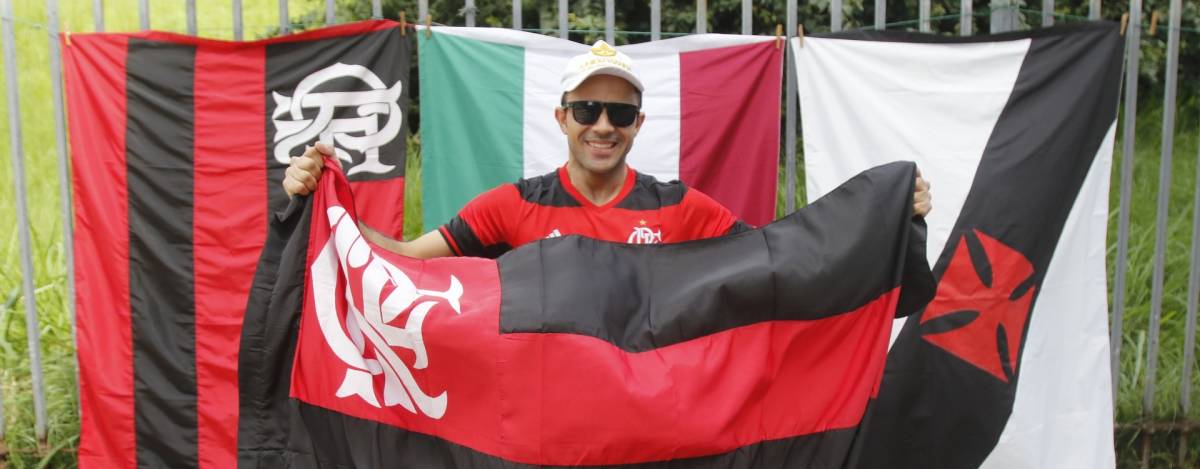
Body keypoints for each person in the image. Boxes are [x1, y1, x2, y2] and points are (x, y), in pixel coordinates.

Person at [282, 39, 932, 257]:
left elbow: (781, 258)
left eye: (618, 112)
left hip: (642, 427)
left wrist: (887, 216)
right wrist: (320, 206)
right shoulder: (510, 206)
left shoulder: (680, 209)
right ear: (562, 118)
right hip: (537, 425)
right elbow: (403, 257)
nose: (602, 125)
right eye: (588, 109)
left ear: (638, 123)